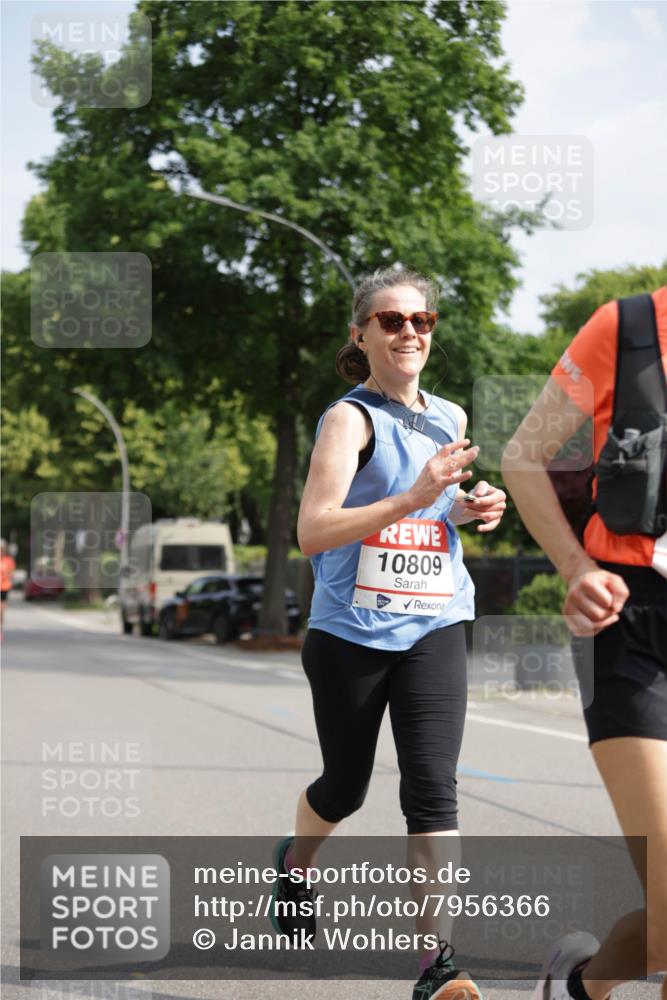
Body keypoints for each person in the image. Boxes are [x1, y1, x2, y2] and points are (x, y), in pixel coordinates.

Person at [271, 266, 507, 1000]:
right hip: (350, 633)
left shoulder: (451, 417)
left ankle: (436, 964)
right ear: (361, 334)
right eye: (392, 320)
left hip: (434, 619)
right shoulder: (348, 420)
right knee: (344, 787)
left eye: (422, 321)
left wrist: (469, 508)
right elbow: (312, 532)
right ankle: (295, 866)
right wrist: (415, 493)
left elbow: (434, 511)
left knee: (432, 789)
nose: (410, 332)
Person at [502, 287, 667, 1000]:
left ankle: (576, 987)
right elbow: (521, 458)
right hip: (628, 620)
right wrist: (576, 568)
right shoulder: (627, 326)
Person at [0, 539, 16, 637]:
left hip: (4, 587)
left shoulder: (8, 560)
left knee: (1, 609)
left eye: (2, 549)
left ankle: (0, 628)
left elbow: (11, 574)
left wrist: (6, 575)